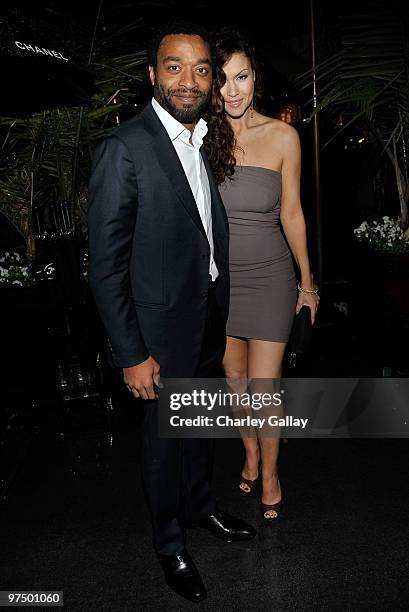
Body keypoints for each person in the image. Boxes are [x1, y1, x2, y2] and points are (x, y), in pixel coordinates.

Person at [87, 21, 256, 604]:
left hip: (205, 316)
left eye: (201, 68)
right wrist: (131, 353)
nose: (190, 80)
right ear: (153, 75)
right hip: (156, 334)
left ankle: (203, 509)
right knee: (162, 445)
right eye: (175, 66)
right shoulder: (123, 148)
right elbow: (105, 267)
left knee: (200, 432)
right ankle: (169, 545)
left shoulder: (203, 140)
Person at [205, 29, 319, 522]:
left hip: (273, 278)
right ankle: (248, 452)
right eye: (223, 80)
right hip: (223, 284)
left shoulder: (283, 137)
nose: (233, 91)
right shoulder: (201, 141)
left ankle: (271, 473)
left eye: (242, 77)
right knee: (234, 379)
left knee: (263, 386)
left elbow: (292, 214)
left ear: (256, 78)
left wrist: (308, 283)